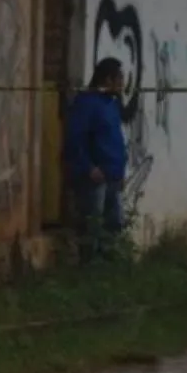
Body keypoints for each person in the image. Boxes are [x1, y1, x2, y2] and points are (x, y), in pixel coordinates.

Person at [62, 58, 129, 257]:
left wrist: (120, 172)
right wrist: (89, 167)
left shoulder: (112, 104)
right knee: (92, 227)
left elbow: (114, 139)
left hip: (113, 176)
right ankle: (88, 269)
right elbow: (75, 139)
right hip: (94, 178)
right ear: (108, 79)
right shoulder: (87, 103)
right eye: (119, 78)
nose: (122, 83)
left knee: (113, 225)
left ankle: (106, 270)